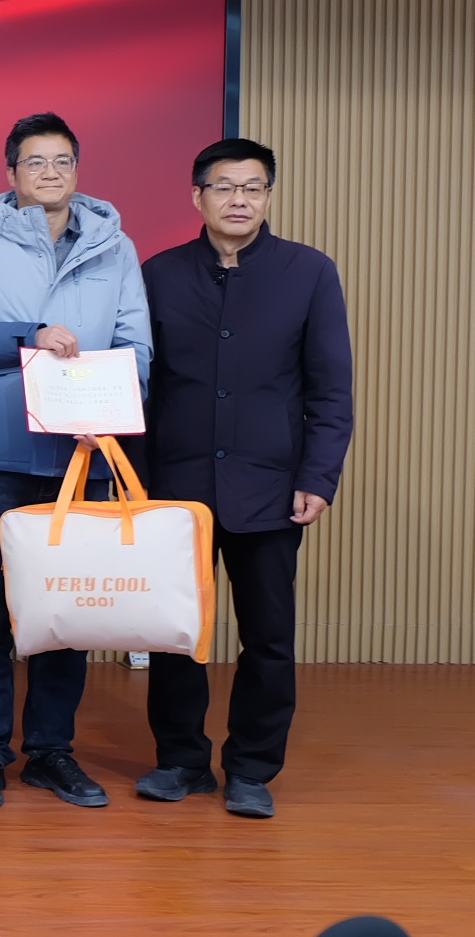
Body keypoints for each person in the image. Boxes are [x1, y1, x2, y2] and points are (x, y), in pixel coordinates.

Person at [0, 112, 151, 811]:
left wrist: (108, 408)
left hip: (82, 455)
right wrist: (29, 334)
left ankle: (52, 751)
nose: (49, 173)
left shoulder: (116, 249)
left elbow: (136, 345)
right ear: (10, 174)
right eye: (35, 162)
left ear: (77, 171)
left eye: (62, 161)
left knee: (67, 611)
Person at [136, 138, 353, 820]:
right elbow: (140, 383)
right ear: (196, 196)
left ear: (268, 196)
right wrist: (137, 486)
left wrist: (318, 476)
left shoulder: (308, 272)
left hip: (271, 486)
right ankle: (180, 760)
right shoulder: (159, 274)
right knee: (176, 632)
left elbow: (331, 389)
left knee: (268, 635)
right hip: (176, 487)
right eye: (225, 187)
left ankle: (253, 768)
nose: (239, 200)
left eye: (252, 187)